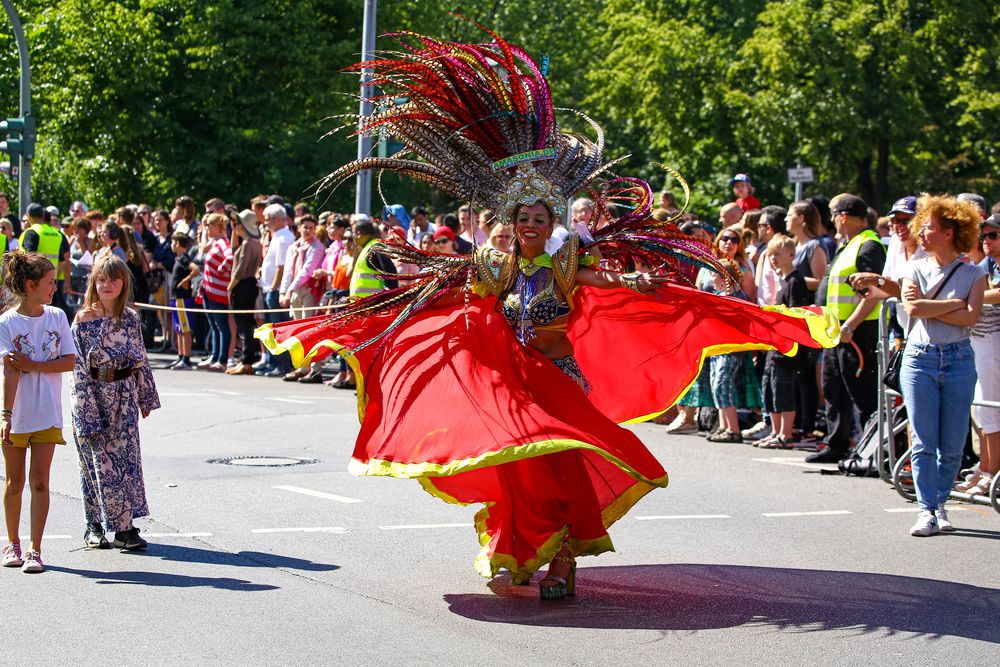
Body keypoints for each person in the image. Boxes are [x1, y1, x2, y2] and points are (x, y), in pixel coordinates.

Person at [256, 25, 837, 600]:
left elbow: (597, 279)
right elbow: (461, 302)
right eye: (523, 218)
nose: (531, 225)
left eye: (540, 217)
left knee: (562, 469)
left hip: (561, 379)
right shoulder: (493, 263)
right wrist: (394, 326)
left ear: (552, 221)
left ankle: (564, 560)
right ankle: (513, 549)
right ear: (510, 221)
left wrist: (632, 278)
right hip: (515, 384)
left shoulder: (567, 258)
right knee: (517, 469)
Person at [899, 196, 986, 536]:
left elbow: (972, 317)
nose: (920, 232)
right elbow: (914, 309)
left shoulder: (974, 273)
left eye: (929, 227)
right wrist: (952, 303)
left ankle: (939, 502)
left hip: (959, 358)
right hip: (920, 357)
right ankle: (927, 509)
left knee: (952, 444)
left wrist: (932, 304)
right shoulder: (915, 267)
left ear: (950, 232)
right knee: (923, 440)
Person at [71, 255, 159, 550]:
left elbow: (141, 362)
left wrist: (146, 396)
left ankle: (125, 528)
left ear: (124, 282)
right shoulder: (83, 319)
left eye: (114, 279)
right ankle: (93, 525)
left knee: (125, 463)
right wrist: (85, 409)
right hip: (94, 395)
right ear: (93, 283)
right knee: (97, 462)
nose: (107, 285)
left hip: (124, 396)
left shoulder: (131, 318)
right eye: (101, 279)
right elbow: (78, 368)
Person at [0, 251, 77, 573]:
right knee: (14, 482)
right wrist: (5, 416)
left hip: (47, 413)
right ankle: (13, 543)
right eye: (48, 282)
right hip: (16, 416)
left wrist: (36, 365)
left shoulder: (57, 317)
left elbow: (70, 361)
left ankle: (35, 548)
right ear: (30, 285)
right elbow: (11, 371)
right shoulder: (6, 322)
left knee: (40, 482)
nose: (54, 288)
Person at [808, 194, 886, 464]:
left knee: (862, 395)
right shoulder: (849, 244)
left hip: (857, 333)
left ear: (843, 215)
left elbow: (874, 291)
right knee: (834, 389)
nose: (831, 220)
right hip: (837, 332)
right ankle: (837, 445)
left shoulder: (869, 245)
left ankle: (870, 452)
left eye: (833, 214)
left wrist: (850, 325)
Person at [755, 235, 811, 448]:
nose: (773, 258)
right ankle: (776, 430)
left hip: (787, 347)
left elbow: (796, 315)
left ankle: (785, 433)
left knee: (784, 388)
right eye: (770, 254)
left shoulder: (796, 281)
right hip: (775, 344)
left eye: (777, 254)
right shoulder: (783, 280)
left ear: (791, 254)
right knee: (770, 387)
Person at [961, 214, 1000, 495]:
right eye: (984, 236)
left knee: (991, 409)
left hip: (994, 344)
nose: (986, 241)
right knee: (983, 408)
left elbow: (995, 295)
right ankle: (985, 467)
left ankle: (991, 472)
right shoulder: (989, 264)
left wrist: (969, 298)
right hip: (983, 343)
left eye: (993, 235)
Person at [255, 204, 295, 378]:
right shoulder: (277, 235)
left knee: (278, 329)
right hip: (270, 287)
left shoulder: (283, 237)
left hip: (276, 289)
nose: (265, 223)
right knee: (271, 329)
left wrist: (273, 288)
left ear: (278, 219)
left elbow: (281, 266)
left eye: (268, 219)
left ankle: (283, 365)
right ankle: (273, 362)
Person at [19, 203, 72, 322]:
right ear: (43, 216)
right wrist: (55, 281)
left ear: (29, 216)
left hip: (34, 281)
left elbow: (30, 256)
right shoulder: (57, 233)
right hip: (52, 280)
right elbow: (62, 261)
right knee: (52, 315)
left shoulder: (32, 232)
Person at [227, 210, 263, 375]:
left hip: (242, 285)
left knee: (244, 324)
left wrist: (230, 286)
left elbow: (240, 270)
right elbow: (234, 247)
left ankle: (247, 360)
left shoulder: (249, 243)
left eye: (237, 223)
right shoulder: (254, 243)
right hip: (249, 285)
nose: (234, 226)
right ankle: (246, 358)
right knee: (247, 324)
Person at [167, 232, 196, 370]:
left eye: (173, 242)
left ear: (178, 243)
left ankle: (187, 358)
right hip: (176, 298)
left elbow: (195, 269)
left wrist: (186, 280)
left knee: (185, 328)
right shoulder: (178, 258)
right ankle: (180, 355)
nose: (171, 245)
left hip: (183, 298)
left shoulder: (184, 258)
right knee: (179, 328)